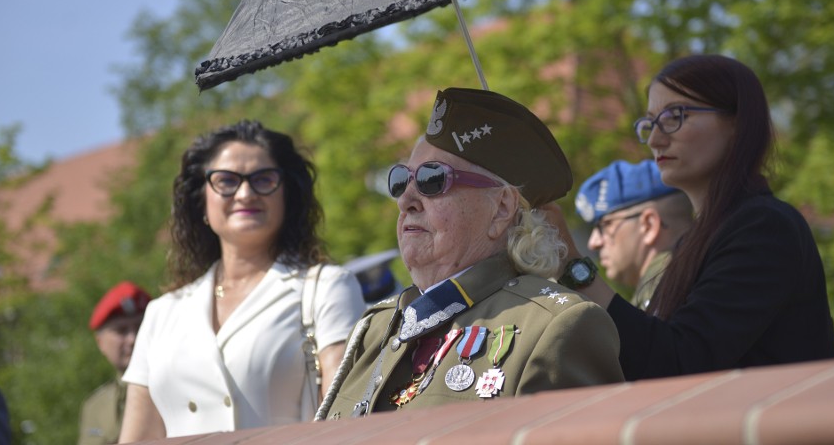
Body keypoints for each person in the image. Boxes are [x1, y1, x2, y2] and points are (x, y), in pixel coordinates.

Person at [318, 88, 623, 420]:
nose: (406, 199)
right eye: (401, 180)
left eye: (432, 179)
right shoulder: (375, 326)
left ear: (501, 207)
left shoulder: (554, 327)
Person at [564, 55, 834, 380]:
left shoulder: (763, 227)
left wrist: (573, 266)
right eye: (650, 123)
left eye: (675, 116)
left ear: (737, 123)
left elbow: (679, 362)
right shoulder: (698, 240)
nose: (655, 139)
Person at [120, 120, 366, 440]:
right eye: (226, 181)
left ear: (287, 197)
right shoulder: (161, 313)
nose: (246, 193)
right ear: (202, 204)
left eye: (264, 179)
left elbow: (348, 425)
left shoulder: (326, 289)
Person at [575, 159, 693, 310]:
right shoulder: (686, 274)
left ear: (649, 225)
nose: (594, 242)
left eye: (605, 225)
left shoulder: (667, 287)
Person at [78, 281, 151, 445]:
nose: (133, 339)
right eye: (121, 330)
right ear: (100, 342)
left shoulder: (169, 390)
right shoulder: (95, 405)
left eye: (140, 327)